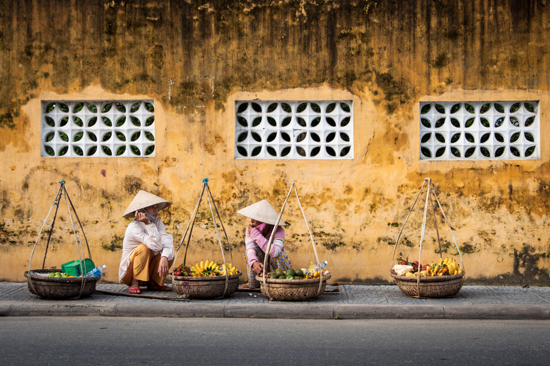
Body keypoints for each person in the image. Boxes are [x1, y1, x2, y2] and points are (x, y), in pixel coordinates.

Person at [119, 190, 175, 294]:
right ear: (141, 211)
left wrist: (164, 257)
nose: (156, 210)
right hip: (130, 272)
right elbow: (156, 246)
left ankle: (154, 283)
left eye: (156, 207)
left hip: (147, 270)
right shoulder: (134, 227)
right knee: (145, 248)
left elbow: (167, 242)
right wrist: (148, 224)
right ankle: (134, 283)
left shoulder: (158, 222)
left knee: (169, 254)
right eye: (152, 207)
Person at [237, 199, 292, 289]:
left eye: (255, 218)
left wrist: (255, 234)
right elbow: (250, 248)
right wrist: (254, 263)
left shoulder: (279, 230)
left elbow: (274, 252)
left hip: (277, 270)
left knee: (279, 253)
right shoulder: (250, 229)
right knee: (248, 254)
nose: (251, 221)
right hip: (262, 265)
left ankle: (280, 282)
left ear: (264, 220)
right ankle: (254, 283)